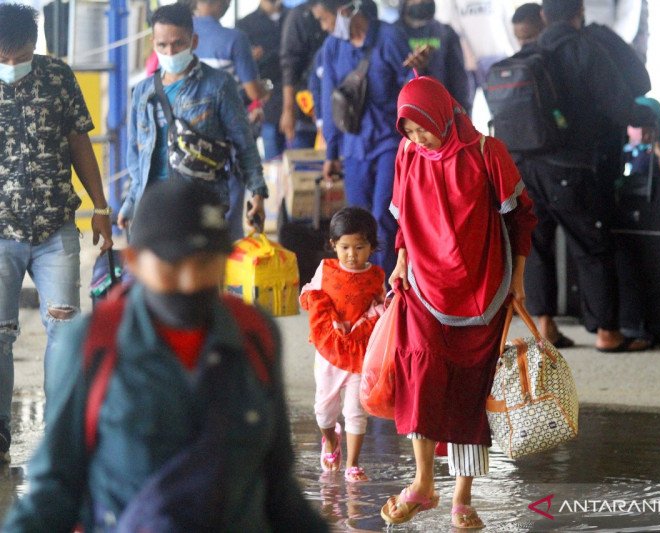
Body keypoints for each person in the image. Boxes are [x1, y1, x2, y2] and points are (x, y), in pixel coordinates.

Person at [3, 179, 329, 532]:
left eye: (206, 263)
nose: (190, 281)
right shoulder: (92, 343)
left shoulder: (254, 334)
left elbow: (278, 486)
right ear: (134, 262)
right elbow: (54, 491)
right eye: (172, 266)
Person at [382, 76, 537, 529]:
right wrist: (400, 261)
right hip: (424, 288)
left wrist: (519, 280)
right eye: (408, 131)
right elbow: (404, 219)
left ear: (442, 114)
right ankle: (423, 482)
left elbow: (522, 216)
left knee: (471, 392)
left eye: (422, 128)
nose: (417, 138)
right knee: (421, 378)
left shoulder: (488, 152)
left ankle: (462, 500)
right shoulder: (408, 154)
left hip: (483, 289)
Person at [0, 3, 113, 462]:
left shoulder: (57, 77)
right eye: (3, 59)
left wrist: (100, 207)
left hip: (55, 230)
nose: (12, 67)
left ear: (34, 44)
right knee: (0, 334)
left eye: (21, 56)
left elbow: (79, 142)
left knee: (65, 332)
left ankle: (61, 433)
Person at [516, 0, 645, 352]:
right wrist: (646, 119)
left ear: (543, 16)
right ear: (579, 13)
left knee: (538, 246)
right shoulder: (583, 47)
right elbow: (621, 105)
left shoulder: (533, 51)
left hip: (526, 167)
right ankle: (607, 332)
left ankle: (545, 326)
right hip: (569, 168)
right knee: (592, 246)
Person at [119, 4, 266, 236]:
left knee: (199, 271)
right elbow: (136, 156)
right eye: (162, 45)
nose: (170, 52)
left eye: (178, 43)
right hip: (153, 207)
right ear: (153, 44)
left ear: (193, 42)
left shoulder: (219, 85)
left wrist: (257, 193)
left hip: (202, 206)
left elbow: (244, 144)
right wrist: (130, 204)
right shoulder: (142, 92)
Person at [312, 0, 412, 278]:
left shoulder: (390, 37)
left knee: (383, 216)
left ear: (345, 12)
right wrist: (331, 152)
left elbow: (411, 83)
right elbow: (330, 101)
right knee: (355, 222)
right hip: (353, 146)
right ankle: (363, 288)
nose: (324, 27)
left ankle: (388, 290)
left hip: (389, 143)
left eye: (324, 19)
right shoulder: (332, 47)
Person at [299, 207, 385, 483]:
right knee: (324, 411)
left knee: (356, 411)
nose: (351, 254)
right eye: (345, 247)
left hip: (361, 352)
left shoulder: (376, 277)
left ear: (371, 246)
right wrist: (322, 312)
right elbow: (309, 294)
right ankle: (331, 439)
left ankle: (353, 464)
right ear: (333, 245)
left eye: (359, 247)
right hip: (329, 353)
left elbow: (382, 307)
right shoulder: (325, 269)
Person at [193, 0, 270, 239]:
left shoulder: (176, 35)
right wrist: (265, 89)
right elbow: (253, 92)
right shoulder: (234, 39)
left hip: (185, 146)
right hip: (226, 140)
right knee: (227, 219)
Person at [394, 0, 471, 113]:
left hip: (441, 109)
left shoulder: (445, 32)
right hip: (407, 110)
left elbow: (459, 78)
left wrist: (464, 111)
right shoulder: (392, 34)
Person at [237, 0, 289, 161]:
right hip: (264, 100)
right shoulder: (245, 25)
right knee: (272, 160)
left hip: (296, 97)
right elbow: (241, 69)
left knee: (298, 161)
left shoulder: (295, 17)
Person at [279, 0, 328, 148]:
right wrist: (288, 110)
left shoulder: (353, 9)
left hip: (340, 111)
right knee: (302, 165)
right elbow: (290, 67)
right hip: (305, 107)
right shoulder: (299, 16)